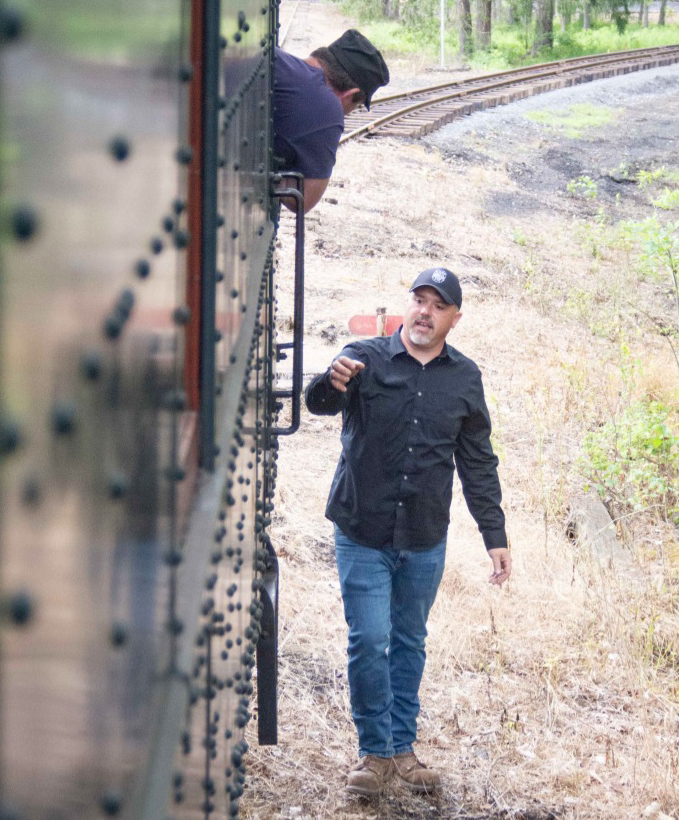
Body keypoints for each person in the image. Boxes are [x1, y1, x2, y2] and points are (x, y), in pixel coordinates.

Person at [304, 267, 512, 797]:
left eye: (437, 305)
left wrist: (495, 535)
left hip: (423, 537)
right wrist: (330, 382)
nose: (425, 311)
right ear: (408, 306)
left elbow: (477, 462)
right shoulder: (364, 358)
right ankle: (374, 752)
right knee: (370, 641)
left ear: (454, 319)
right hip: (362, 530)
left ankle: (402, 748)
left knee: (408, 641)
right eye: (419, 300)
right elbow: (318, 404)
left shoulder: (465, 378)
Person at [273, 29, 389, 212]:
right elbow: (303, 200)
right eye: (356, 105)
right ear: (349, 94)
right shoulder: (328, 105)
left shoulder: (278, 58)